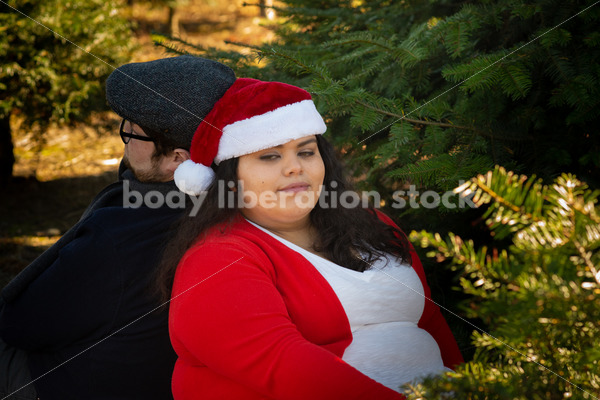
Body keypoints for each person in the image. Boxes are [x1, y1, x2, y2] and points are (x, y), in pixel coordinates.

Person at [157, 78, 464, 400]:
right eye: (269, 156)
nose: (295, 168)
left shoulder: (371, 224)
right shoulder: (216, 259)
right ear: (230, 181)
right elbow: (286, 368)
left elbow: (430, 322)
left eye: (306, 151)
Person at [0, 55, 236, 400]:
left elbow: (21, 323)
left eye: (133, 131)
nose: (123, 141)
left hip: (73, 384)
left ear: (178, 160)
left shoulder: (122, 235)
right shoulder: (225, 205)